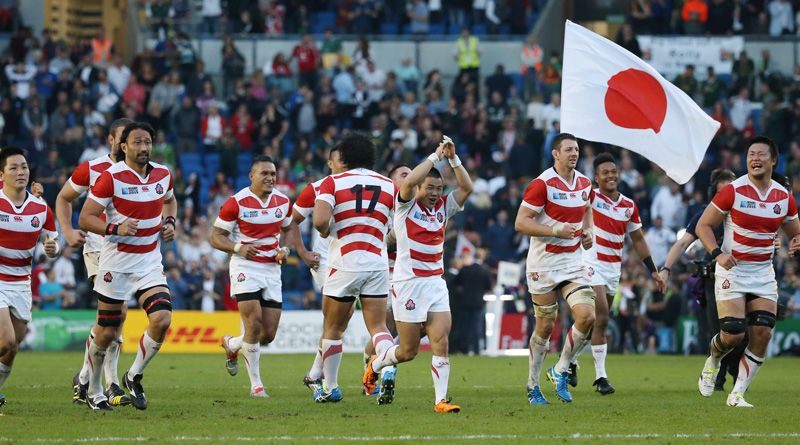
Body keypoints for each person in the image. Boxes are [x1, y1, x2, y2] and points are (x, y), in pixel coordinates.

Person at [363, 135, 472, 412]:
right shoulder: (405, 206)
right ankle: (376, 364)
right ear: (420, 187)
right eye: (430, 187)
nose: (435, 193)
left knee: (441, 341)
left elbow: (466, 187)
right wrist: (436, 156)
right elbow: (409, 181)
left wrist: (453, 159)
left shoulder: (444, 208)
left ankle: (440, 401)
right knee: (407, 351)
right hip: (408, 284)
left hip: (435, 283)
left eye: (439, 188)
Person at [78, 121, 177, 411]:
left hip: (148, 262)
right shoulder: (111, 177)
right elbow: (85, 218)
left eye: (147, 142)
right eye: (137, 142)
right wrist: (115, 228)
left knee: (162, 319)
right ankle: (93, 389)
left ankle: (133, 375)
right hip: (116, 264)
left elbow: (171, 201)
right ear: (123, 146)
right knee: (107, 332)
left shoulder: (163, 174)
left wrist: (170, 222)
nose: (144, 147)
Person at [695, 136, 800, 407]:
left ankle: (737, 393)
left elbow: (795, 232)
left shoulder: (784, 197)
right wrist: (717, 254)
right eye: (751, 154)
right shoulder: (733, 191)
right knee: (733, 334)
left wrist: (796, 242)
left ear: (773, 160)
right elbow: (703, 226)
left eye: (761, 154)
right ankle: (713, 360)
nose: (755, 158)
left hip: (763, 273)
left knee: (763, 333)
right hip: (733, 270)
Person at [213, 155, 320, 398]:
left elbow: (288, 229)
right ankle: (256, 385)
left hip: (272, 268)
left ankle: (232, 344)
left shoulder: (283, 201)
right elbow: (216, 237)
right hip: (245, 266)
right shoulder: (236, 203)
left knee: (268, 335)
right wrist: (238, 248)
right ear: (251, 176)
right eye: (264, 173)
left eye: (273, 173)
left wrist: (286, 250)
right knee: (253, 323)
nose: (270, 177)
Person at [310, 132, 396, 403]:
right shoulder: (388, 184)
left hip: (345, 264)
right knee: (379, 326)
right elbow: (398, 227)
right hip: (377, 264)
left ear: (344, 156)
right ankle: (387, 366)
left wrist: (325, 231)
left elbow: (319, 220)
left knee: (333, 328)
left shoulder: (333, 182)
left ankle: (331, 387)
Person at [572, 153, 666, 395]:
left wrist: (653, 271)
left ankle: (571, 359)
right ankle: (601, 377)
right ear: (596, 177)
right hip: (590, 262)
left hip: (613, 269)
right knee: (602, 315)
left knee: (595, 323)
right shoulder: (590, 197)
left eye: (613, 171)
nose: (611, 176)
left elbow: (638, 240)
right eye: (605, 173)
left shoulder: (629, 206)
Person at [514, 133, 596, 405]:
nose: (574, 154)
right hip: (544, 264)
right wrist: (555, 230)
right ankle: (532, 385)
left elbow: (587, 209)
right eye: (568, 150)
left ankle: (560, 369)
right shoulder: (542, 184)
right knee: (546, 326)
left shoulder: (585, 183)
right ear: (555, 154)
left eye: (577, 150)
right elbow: (521, 223)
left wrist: (589, 232)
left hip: (572, 263)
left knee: (587, 316)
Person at [58, 117, 134, 407]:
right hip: (98, 249)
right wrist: (67, 230)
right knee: (115, 315)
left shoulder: (142, 173)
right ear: (111, 140)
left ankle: (84, 378)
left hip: (129, 253)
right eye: (121, 138)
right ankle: (109, 384)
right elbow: (64, 198)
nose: (126, 143)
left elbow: (166, 199)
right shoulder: (91, 168)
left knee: (115, 320)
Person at [660, 168, 737, 390]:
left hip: (744, 277)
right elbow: (682, 243)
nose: (727, 196)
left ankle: (734, 369)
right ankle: (719, 375)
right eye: (722, 192)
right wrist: (666, 268)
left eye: (731, 191)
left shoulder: (746, 213)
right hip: (714, 279)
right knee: (717, 329)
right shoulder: (706, 216)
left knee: (744, 330)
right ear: (714, 194)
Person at [0, 147, 60, 409]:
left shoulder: (40, 208)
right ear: (2, 174)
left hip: (21, 282)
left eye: (23, 167)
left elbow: (54, 242)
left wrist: (52, 249)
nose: (20, 172)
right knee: (5, 340)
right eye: (13, 167)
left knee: (13, 346)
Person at [360, 163, 412, 395]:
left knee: (416, 326)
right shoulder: (381, 207)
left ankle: (372, 362)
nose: (410, 178)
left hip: (411, 274)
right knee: (386, 325)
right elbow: (382, 241)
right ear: (391, 182)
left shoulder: (416, 206)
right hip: (385, 273)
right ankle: (374, 367)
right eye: (404, 175)